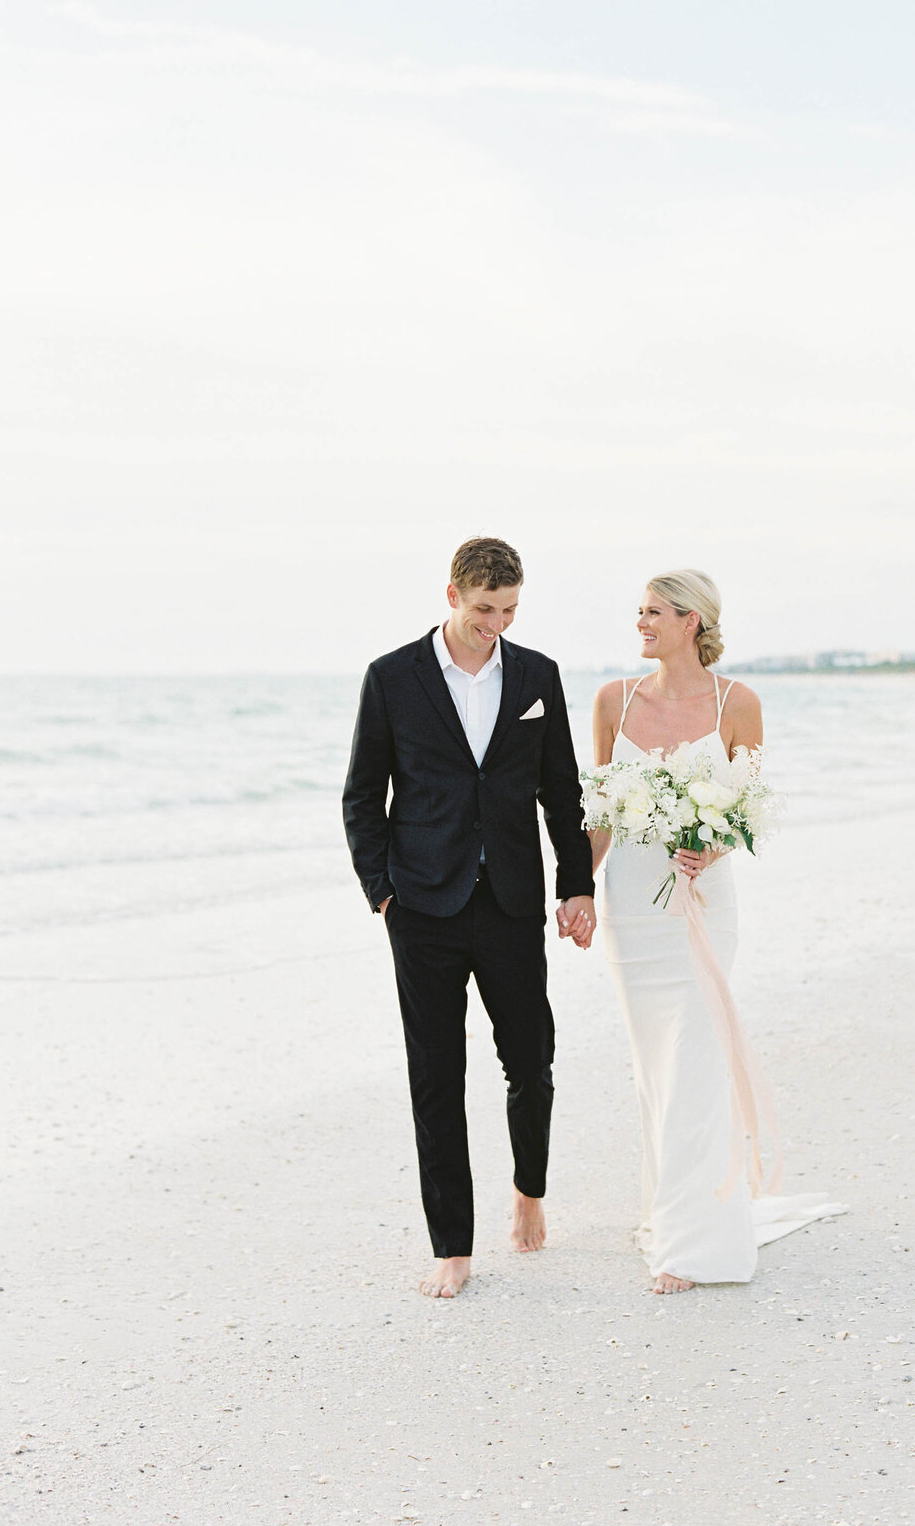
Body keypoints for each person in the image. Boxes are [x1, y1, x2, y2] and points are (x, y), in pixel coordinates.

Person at [343, 537, 596, 1299]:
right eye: (485, 608)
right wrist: (382, 893)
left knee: (532, 1060)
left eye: (510, 610)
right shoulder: (392, 677)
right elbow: (363, 795)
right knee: (435, 1078)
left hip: (513, 903)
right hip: (422, 907)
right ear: (451, 594)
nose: (497, 623)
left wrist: (576, 885)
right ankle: (452, 1244)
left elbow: (562, 794)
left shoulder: (537, 676)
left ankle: (529, 1187)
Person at [591, 569, 845, 1294]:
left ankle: (695, 1246)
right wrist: (573, 890)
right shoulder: (614, 699)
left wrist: (714, 844)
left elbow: (748, 808)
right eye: (638, 610)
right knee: (655, 1069)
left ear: (692, 622)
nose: (641, 622)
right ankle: (666, 1209)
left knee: (697, 1062)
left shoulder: (740, 703)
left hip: (703, 904)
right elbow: (602, 812)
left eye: (655, 612)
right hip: (633, 907)